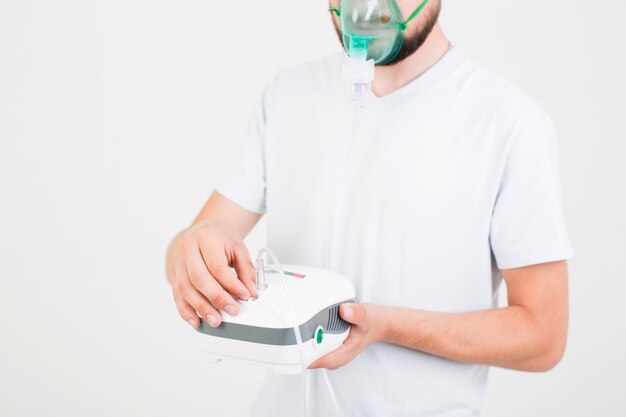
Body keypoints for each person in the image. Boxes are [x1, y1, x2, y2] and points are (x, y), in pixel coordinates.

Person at [165, 1, 574, 415]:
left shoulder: (507, 122)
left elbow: (543, 336)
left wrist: (386, 325)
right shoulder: (289, 93)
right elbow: (198, 236)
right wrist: (191, 249)